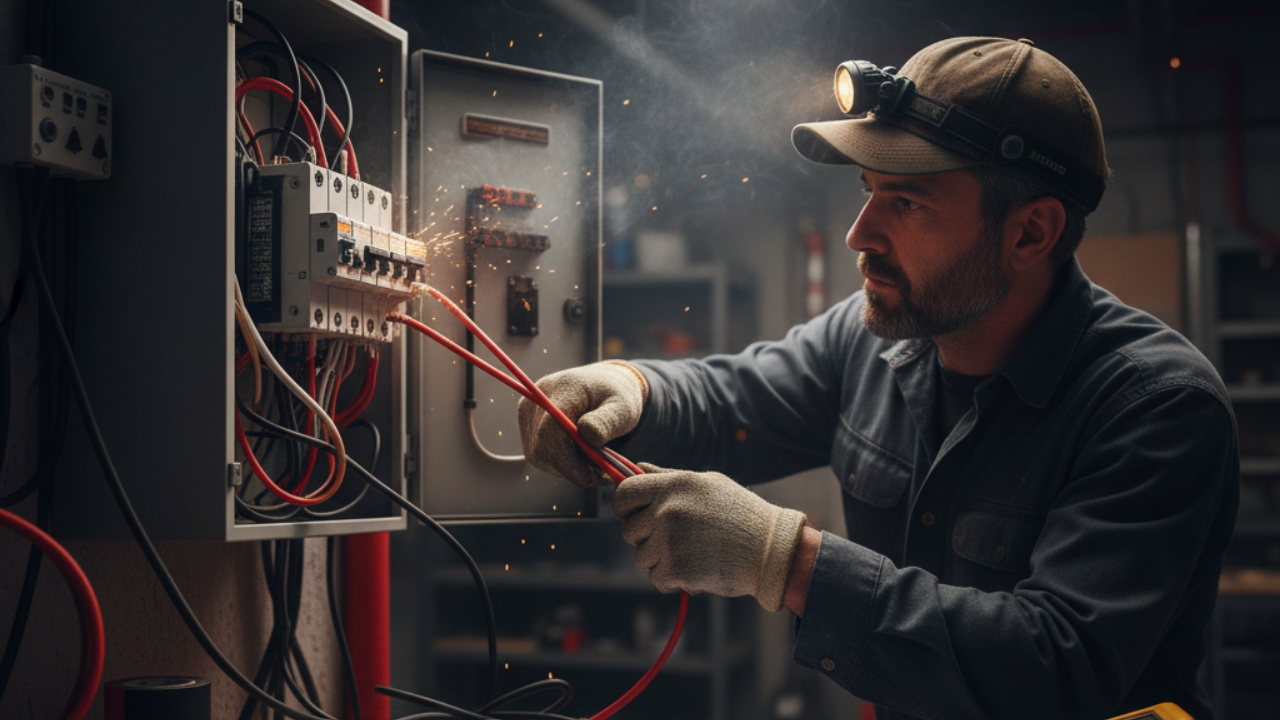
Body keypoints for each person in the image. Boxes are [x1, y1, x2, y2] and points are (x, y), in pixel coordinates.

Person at [518, 37, 1238, 720]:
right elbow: (739, 398)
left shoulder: (1156, 406)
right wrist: (631, 388)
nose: (860, 234)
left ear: (1030, 233)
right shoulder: (874, 339)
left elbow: (1055, 666)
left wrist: (785, 560)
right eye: (867, 191)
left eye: (908, 203)